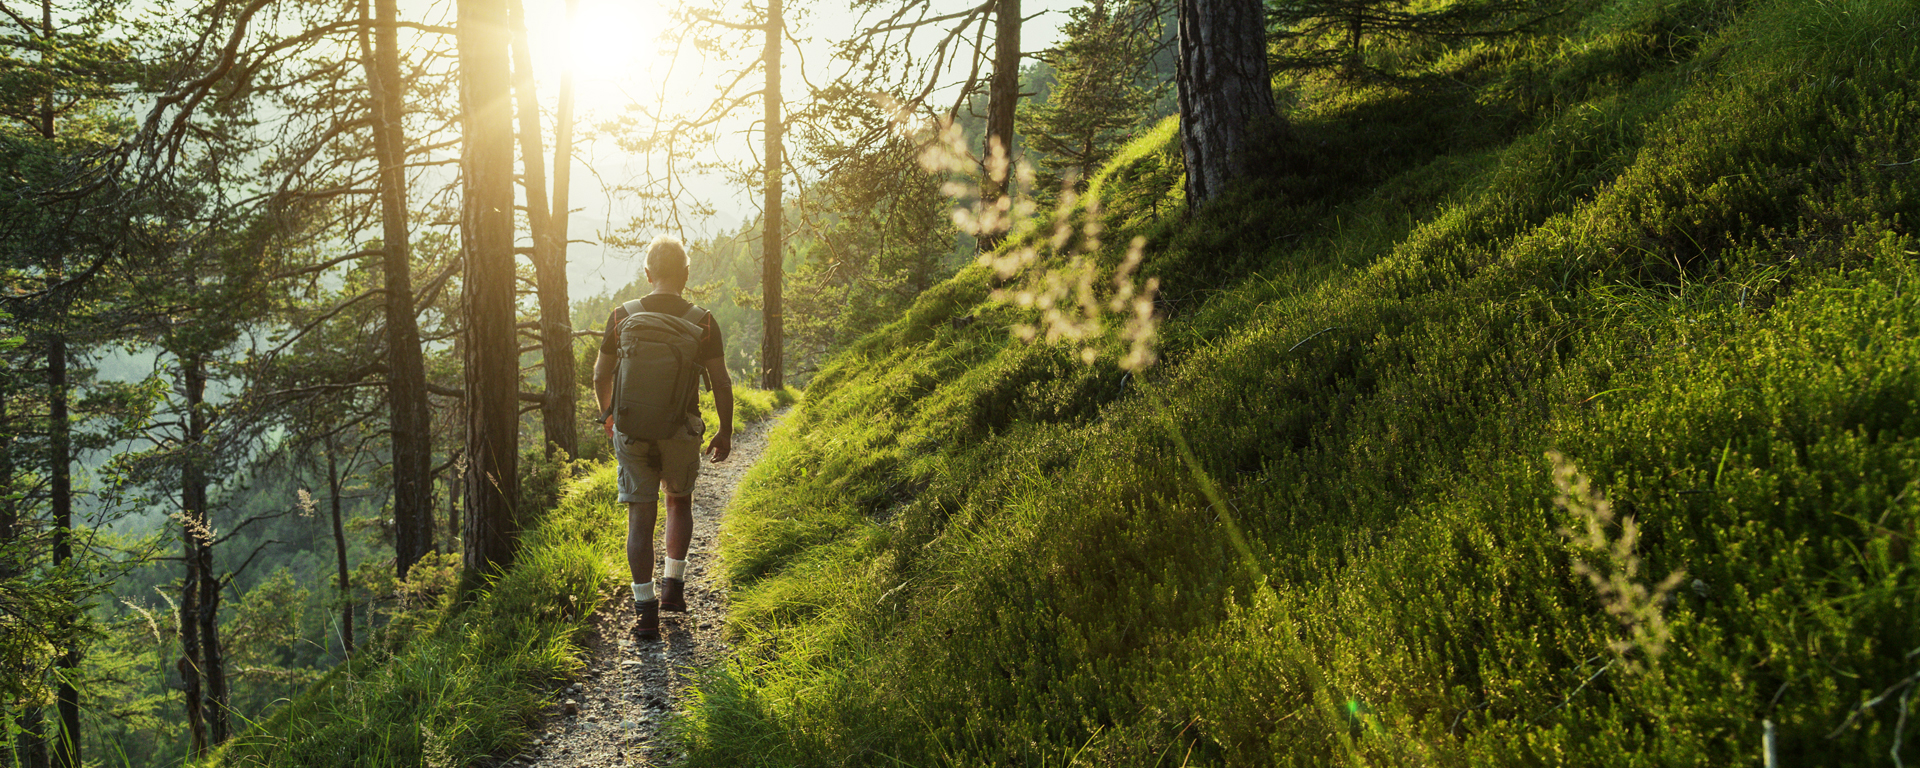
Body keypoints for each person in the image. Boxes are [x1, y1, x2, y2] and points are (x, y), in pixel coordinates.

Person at [593, 235, 733, 640]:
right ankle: (673, 587)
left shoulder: (622, 315)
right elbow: (720, 382)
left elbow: (601, 374)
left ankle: (645, 611)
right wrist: (724, 429)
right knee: (678, 501)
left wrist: (609, 415)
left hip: (632, 430)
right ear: (686, 275)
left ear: (648, 273)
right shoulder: (702, 320)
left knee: (640, 515)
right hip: (680, 428)